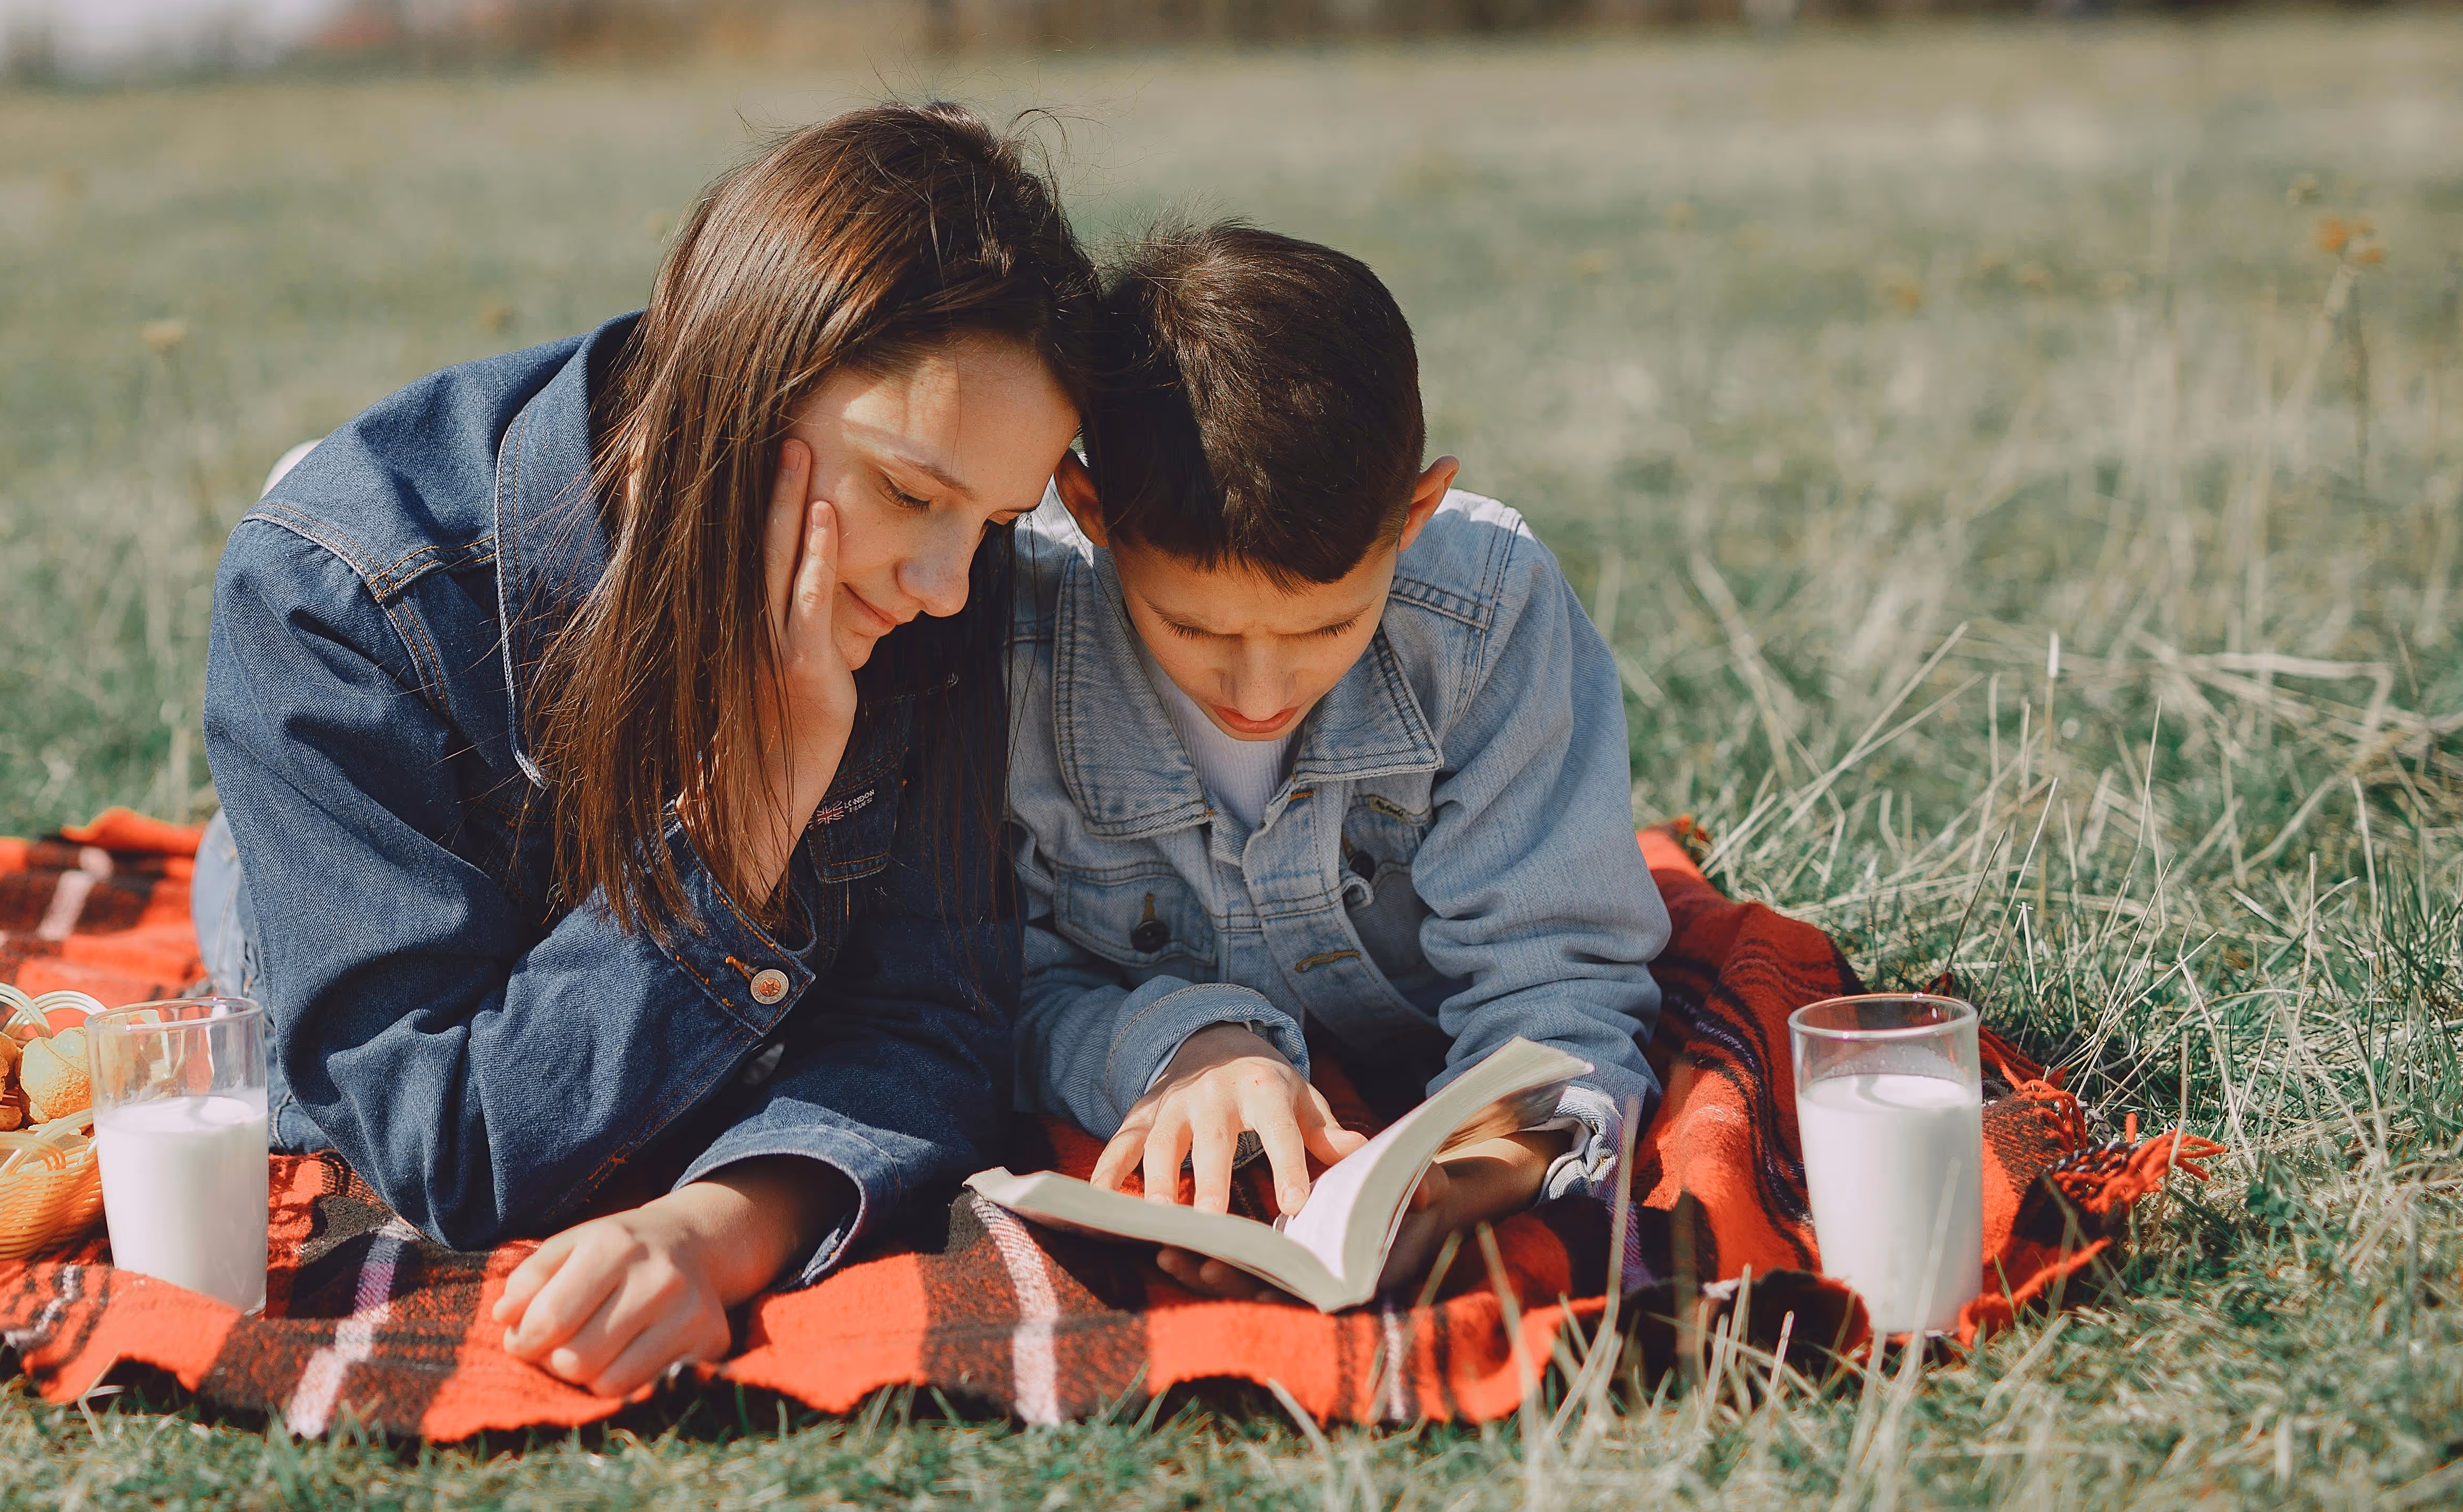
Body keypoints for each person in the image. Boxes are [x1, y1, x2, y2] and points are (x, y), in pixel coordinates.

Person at [196, 102, 1094, 1391]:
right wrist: (734, 836)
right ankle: (254, 828)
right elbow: (450, 1149)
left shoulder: (928, 593)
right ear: (739, 385)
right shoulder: (332, 598)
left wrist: (716, 1228)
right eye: (909, 490)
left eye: (996, 516)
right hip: (367, 815)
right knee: (253, 910)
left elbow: (937, 1015)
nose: (951, 582)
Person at [1006, 224, 1668, 1296]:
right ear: (1090, 515)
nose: (1259, 693)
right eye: (1196, 629)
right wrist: (1180, 1045)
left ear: (1416, 515)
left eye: (1325, 627)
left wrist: (1495, 1157)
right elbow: (982, 979)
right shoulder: (1014, 643)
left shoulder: (1487, 614)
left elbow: (1561, 973)